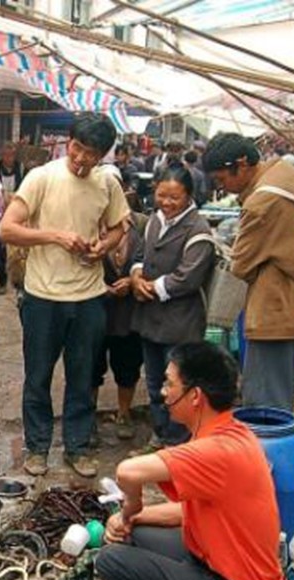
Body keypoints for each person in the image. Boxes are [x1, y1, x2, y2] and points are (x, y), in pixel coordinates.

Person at [0, 114, 129, 478]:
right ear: (67, 143)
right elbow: (7, 228)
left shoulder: (107, 184)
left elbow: (119, 227)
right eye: (76, 148)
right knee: (38, 374)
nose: (81, 158)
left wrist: (102, 247)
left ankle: (77, 446)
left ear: (103, 155)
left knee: (82, 375)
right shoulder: (42, 177)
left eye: (91, 153)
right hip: (42, 295)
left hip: (89, 297)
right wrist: (55, 236)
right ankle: (37, 447)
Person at [95, 342, 283, 580]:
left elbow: (128, 471)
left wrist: (131, 506)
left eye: (169, 384)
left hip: (233, 579)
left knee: (111, 559)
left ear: (195, 396)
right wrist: (132, 518)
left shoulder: (218, 451)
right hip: (209, 559)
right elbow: (189, 511)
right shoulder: (227, 431)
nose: (163, 391)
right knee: (131, 533)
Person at [202, 133, 294, 411]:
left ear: (241, 164)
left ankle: (268, 456)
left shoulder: (261, 203)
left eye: (222, 179)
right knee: (282, 397)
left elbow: (241, 264)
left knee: (265, 407)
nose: (224, 187)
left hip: (274, 312)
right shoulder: (285, 172)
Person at [130, 163, 215, 451]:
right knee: (155, 384)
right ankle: (160, 433)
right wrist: (136, 275)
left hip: (180, 324)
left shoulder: (198, 231)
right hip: (150, 319)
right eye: (161, 195)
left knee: (179, 387)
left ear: (189, 196)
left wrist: (151, 287)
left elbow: (188, 278)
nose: (166, 202)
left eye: (174, 197)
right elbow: (140, 252)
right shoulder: (155, 220)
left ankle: (177, 442)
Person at [92, 191, 147, 442]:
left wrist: (134, 279)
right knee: (91, 366)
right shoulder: (88, 222)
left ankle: (124, 413)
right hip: (95, 307)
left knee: (127, 364)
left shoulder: (143, 225)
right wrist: (100, 285)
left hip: (130, 310)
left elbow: (152, 259)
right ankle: (87, 417)